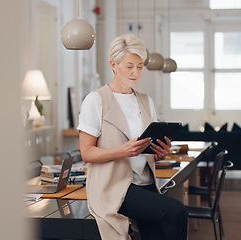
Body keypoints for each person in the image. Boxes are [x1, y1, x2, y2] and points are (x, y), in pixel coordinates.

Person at [77, 33, 188, 240]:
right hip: (114, 187)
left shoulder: (146, 101)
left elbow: (146, 152)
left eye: (139, 66)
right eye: (129, 66)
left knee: (157, 233)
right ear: (113, 65)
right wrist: (122, 151)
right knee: (176, 211)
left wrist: (160, 153)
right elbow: (87, 153)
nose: (135, 72)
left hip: (145, 183)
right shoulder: (96, 100)